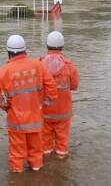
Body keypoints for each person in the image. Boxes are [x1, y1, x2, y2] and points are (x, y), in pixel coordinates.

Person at [0, 34, 58, 172]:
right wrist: (42, 103)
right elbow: (52, 89)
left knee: (17, 156)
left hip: (16, 121)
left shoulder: (2, 71)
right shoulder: (38, 65)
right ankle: (37, 176)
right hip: (35, 118)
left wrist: (6, 107)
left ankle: (18, 178)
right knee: (36, 153)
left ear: (8, 52)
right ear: (24, 49)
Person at [40, 31, 79, 159]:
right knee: (62, 144)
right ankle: (61, 166)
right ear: (62, 45)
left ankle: (45, 167)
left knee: (45, 144)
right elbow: (74, 86)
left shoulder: (39, 65)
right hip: (63, 112)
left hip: (45, 112)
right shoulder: (69, 66)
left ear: (47, 45)